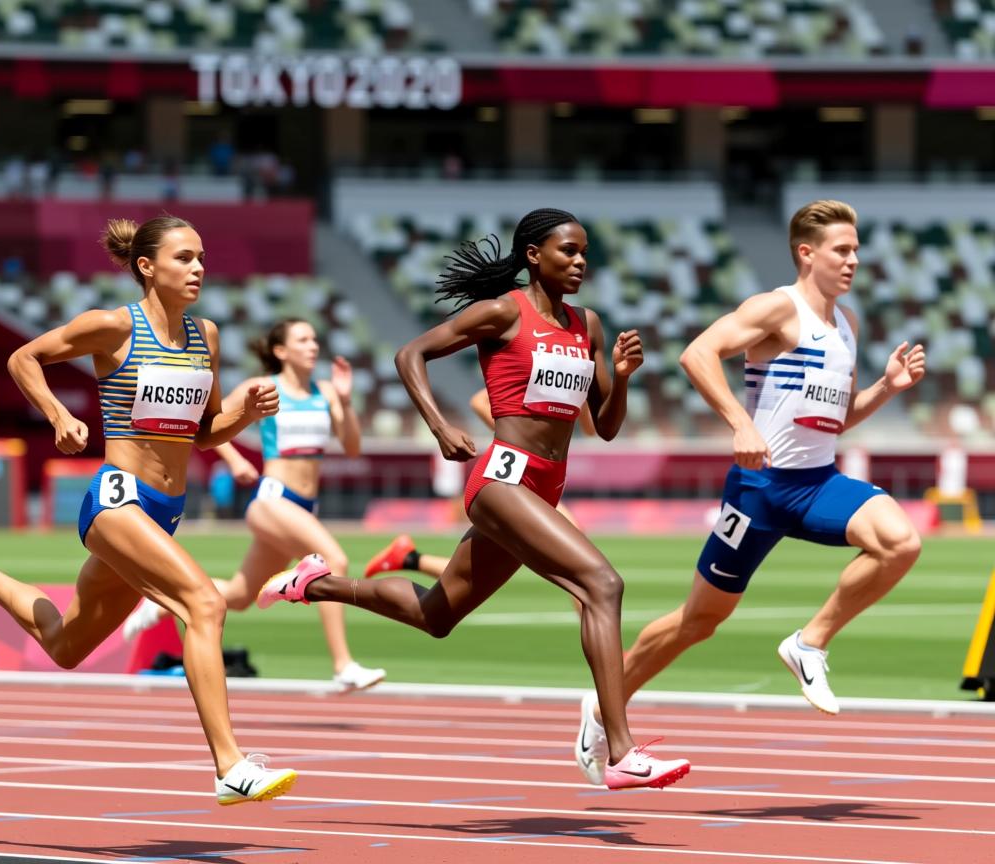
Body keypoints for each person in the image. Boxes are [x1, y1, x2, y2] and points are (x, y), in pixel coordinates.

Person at [257, 208, 690, 791]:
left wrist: (621, 377)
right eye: (568, 251)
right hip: (502, 480)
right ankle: (619, 751)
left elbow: (606, 428)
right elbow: (409, 354)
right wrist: (439, 426)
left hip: (545, 484)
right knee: (602, 584)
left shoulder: (588, 325)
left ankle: (315, 583)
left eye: (586, 251)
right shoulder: (502, 312)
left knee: (436, 615)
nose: (581, 261)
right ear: (534, 256)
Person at [0, 215, 298, 806]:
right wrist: (60, 416)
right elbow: (22, 359)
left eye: (201, 258)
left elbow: (203, 435)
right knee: (204, 604)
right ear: (147, 267)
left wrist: (246, 413)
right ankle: (229, 765)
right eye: (184, 258)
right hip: (117, 501)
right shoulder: (114, 327)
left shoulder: (207, 337)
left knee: (65, 646)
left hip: (164, 510)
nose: (198, 269)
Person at [574, 199, 926, 781]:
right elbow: (698, 353)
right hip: (758, 491)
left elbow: (834, 421)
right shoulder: (774, 310)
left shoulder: (848, 325)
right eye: (843, 249)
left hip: (818, 485)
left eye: (857, 249)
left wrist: (887, 387)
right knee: (699, 621)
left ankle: (809, 644)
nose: (854, 260)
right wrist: (740, 421)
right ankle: (601, 706)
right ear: (806, 253)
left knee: (901, 542)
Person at [122, 318, 386, 692]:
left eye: (315, 339)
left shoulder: (325, 391)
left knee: (242, 596)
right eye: (303, 339)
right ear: (281, 351)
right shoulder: (263, 387)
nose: (313, 346)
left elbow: (354, 447)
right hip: (273, 500)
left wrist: (344, 401)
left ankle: (161, 602)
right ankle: (343, 665)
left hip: (303, 508)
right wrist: (234, 460)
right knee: (333, 561)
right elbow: (204, 422)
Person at [364, 387, 595, 579]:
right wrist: (522, 440)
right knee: (581, 567)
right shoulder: (542, 360)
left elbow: (590, 429)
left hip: (539, 481)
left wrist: (582, 390)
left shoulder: (573, 365)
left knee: (478, 574)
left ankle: (409, 558)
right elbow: (478, 401)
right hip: (517, 477)